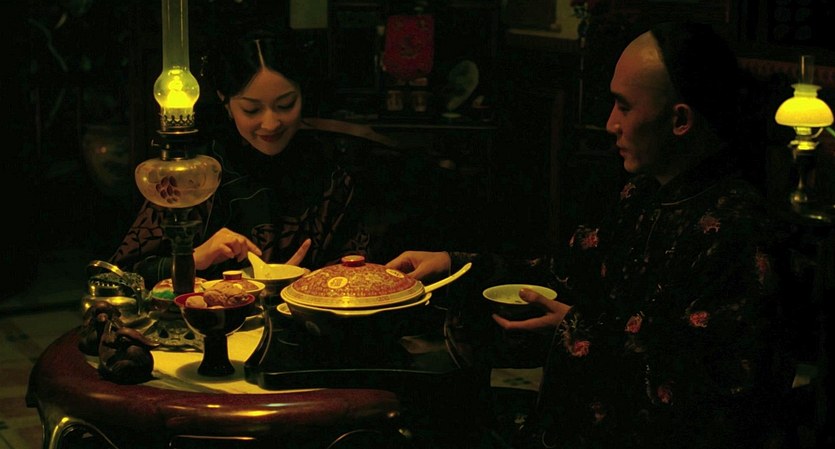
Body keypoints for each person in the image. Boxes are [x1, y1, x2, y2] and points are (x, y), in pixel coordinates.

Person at [386, 21, 791, 448]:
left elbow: (713, 392)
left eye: (624, 107)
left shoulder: (739, 230)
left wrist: (578, 334)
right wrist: (454, 265)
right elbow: (562, 275)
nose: (610, 123)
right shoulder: (643, 193)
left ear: (680, 119)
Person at [110, 27, 376, 287]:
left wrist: (314, 283)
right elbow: (117, 277)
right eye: (251, 110)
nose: (271, 124)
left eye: (285, 105)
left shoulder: (330, 176)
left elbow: (362, 274)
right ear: (225, 102)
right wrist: (193, 259)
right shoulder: (193, 176)